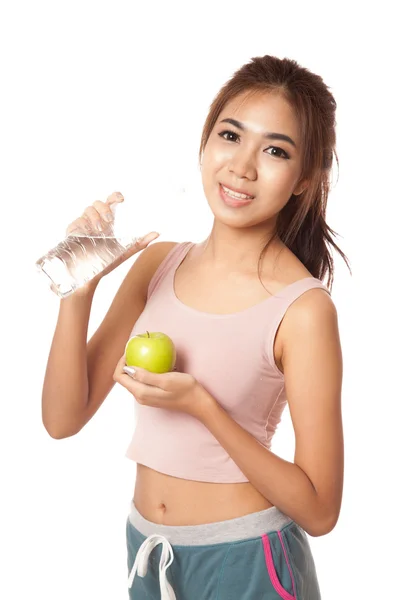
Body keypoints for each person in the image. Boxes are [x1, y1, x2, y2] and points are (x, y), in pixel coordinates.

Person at [42, 54, 349, 600]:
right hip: (146, 550)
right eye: (231, 135)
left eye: (275, 150)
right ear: (206, 143)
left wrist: (204, 407)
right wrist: (77, 290)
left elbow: (321, 510)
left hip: (248, 560)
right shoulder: (155, 264)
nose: (243, 166)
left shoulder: (303, 309)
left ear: (305, 178)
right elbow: (63, 420)